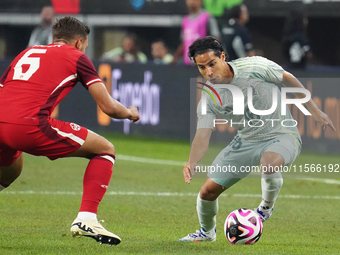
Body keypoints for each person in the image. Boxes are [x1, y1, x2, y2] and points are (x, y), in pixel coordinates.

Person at [178, 36, 335, 242]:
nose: (208, 72)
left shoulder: (254, 66)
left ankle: (264, 209)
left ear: (223, 57)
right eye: (201, 67)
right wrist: (192, 160)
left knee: (269, 163)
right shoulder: (209, 96)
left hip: (282, 135)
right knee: (207, 192)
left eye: (212, 64)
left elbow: (287, 77)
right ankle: (206, 232)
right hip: (246, 142)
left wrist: (314, 111)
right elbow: (203, 133)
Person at [0, 16, 140, 246]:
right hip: (29, 125)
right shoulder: (77, 56)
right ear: (78, 42)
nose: (85, 50)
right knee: (104, 149)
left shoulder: (27, 52)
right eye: (85, 45)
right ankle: (87, 218)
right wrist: (129, 112)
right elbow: (108, 107)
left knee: (11, 169)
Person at [171, 0, 220, 65]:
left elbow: (216, 39)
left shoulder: (207, 18)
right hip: (188, 64)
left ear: (201, 2)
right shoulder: (185, 20)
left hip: (204, 64)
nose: (192, 2)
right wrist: (174, 58)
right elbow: (184, 43)